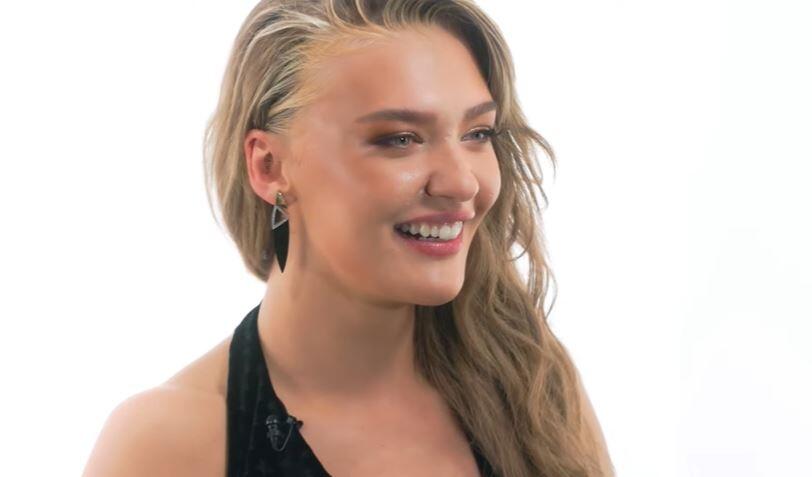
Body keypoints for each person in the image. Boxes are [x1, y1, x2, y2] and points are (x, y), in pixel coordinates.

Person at [82, 0, 614, 476]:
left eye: (477, 134)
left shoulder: (532, 388)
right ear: (269, 166)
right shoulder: (171, 444)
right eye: (400, 139)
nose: (462, 182)